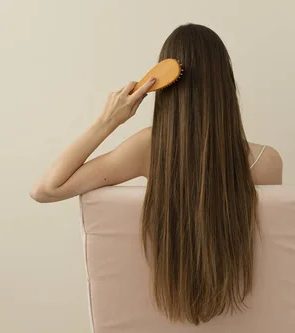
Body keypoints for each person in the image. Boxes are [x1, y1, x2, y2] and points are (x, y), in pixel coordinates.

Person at [29, 23, 283, 325]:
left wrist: (107, 121)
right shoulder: (267, 161)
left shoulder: (148, 149)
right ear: (225, 84)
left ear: (164, 84)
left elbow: (46, 189)